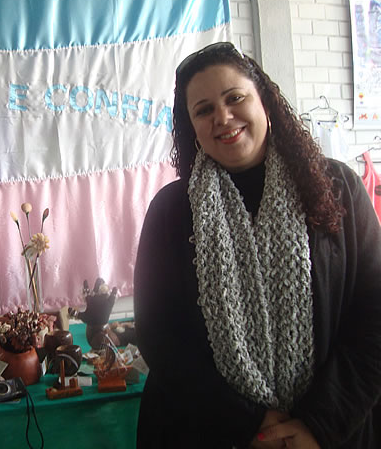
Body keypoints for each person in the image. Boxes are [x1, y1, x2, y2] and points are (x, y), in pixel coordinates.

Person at [133, 42, 381, 448]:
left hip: (334, 432)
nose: (222, 117)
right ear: (191, 126)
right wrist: (250, 425)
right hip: (210, 433)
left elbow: (373, 317)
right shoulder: (171, 212)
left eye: (235, 98)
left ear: (264, 101)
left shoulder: (338, 189)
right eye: (204, 110)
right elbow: (160, 336)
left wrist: (318, 426)